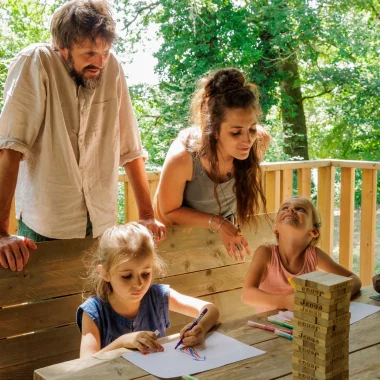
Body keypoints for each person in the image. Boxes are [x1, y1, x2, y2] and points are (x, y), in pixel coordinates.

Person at [0, 0, 165, 272]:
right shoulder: (36, 62)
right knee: (51, 311)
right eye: (89, 53)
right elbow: (10, 146)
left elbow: (130, 148)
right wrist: (2, 233)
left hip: (102, 222)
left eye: (105, 51)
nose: (99, 61)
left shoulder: (111, 68)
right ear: (61, 46)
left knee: (97, 307)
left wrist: (147, 216)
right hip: (48, 223)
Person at [155, 68, 270, 261]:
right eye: (235, 132)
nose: (247, 140)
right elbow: (169, 211)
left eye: (251, 129)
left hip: (218, 245)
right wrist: (218, 223)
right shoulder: (182, 157)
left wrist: (222, 227)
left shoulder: (259, 142)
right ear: (214, 131)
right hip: (174, 246)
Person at [77, 222, 219, 357]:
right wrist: (122, 342)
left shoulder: (158, 296)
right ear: (105, 273)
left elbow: (210, 309)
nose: (139, 284)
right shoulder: (93, 312)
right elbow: (85, 363)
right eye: (127, 276)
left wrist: (200, 327)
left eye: (145, 274)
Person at [241, 196, 362, 312]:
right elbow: (247, 295)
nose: (291, 209)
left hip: (305, 325)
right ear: (276, 228)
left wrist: (332, 297)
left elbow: (354, 280)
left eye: (300, 209)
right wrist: (285, 302)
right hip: (268, 328)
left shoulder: (314, 255)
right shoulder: (266, 253)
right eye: (285, 208)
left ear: (314, 231)